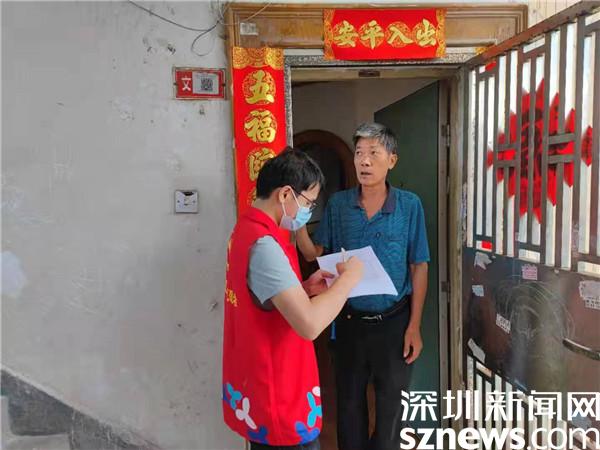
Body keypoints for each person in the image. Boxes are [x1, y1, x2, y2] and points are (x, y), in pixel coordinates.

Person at [296, 123, 430, 450]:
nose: (364, 161)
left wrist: (414, 327)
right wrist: (296, 223)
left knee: (392, 409)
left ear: (392, 160)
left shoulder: (409, 206)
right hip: (349, 321)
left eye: (373, 153)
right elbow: (315, 253)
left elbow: (419, 265)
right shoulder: (339, 205)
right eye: (359, 153)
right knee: (348, 405)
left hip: (394, 322)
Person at [222, 148, 364, 450]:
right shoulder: (264, 245)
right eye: (309, 203)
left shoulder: (245, 230)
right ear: (286, 194)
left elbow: (261, 296)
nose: (307, 211)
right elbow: (309, 324)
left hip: (259, 384)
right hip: (278, 393)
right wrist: (349, 280)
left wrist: (302, 289)